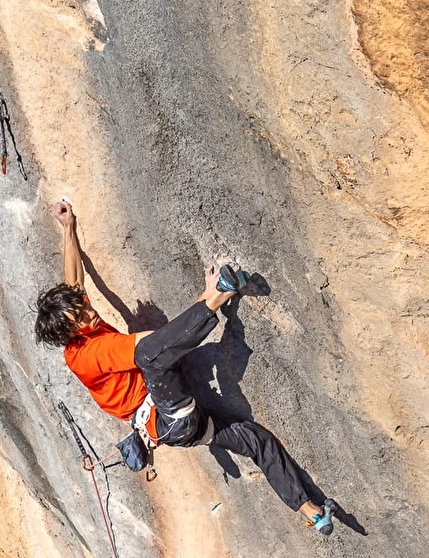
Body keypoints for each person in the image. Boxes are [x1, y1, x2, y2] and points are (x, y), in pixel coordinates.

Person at [35, 200, 335, 533]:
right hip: (168, 416)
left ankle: (312, 511)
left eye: (83, 308)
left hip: (185, 429)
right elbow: (157, 344)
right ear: (70, 333)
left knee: (257, 441)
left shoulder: (77, 320)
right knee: (150, 357)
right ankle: (222, 295)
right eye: (80, 317)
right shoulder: (90, 353)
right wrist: (208, 297)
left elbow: (74, 282)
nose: (90, 313)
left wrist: (69, 228)